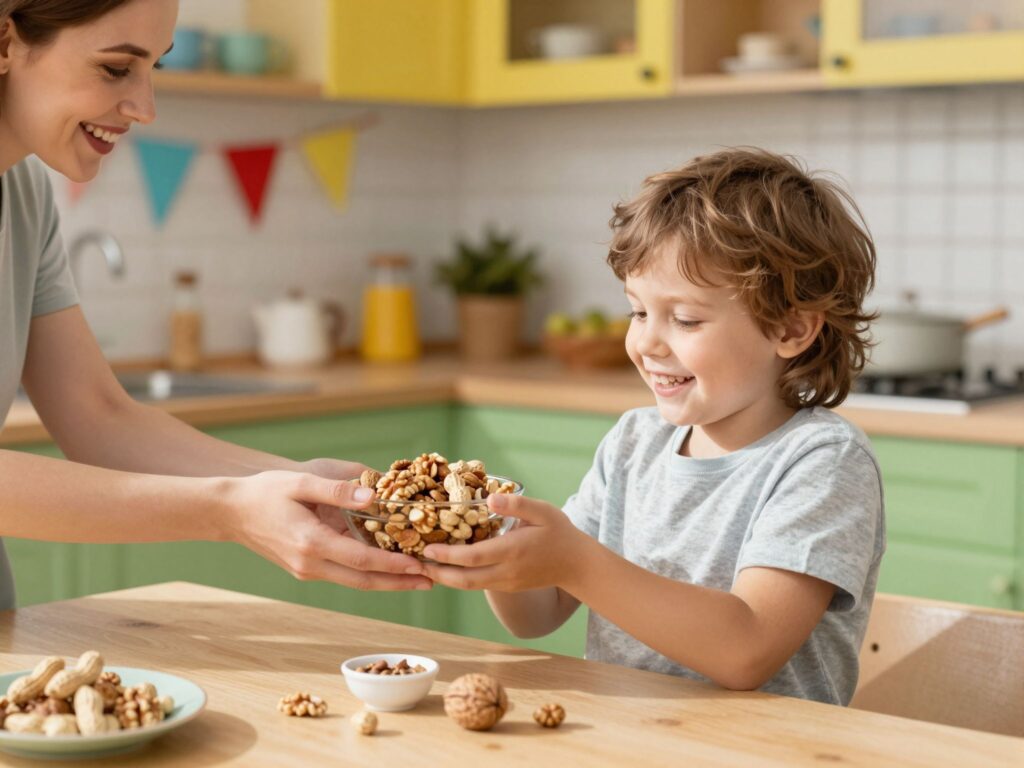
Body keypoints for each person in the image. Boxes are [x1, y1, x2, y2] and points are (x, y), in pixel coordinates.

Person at [0, 0, 430, 611]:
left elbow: (99, 416)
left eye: (154, 69)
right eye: (116, 69)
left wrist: (297, 483)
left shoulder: (24, 192)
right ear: (6, 41)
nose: (144, 108)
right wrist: (227, 510)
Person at [423, 148, 886, 706]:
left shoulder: (821, 461)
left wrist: (572, 558)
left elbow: (747, 648)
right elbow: (537, 614)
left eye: (685, 319)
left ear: (790, 329)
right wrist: (487, 546)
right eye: (638, 312)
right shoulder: (633, 444)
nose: (645, 342)